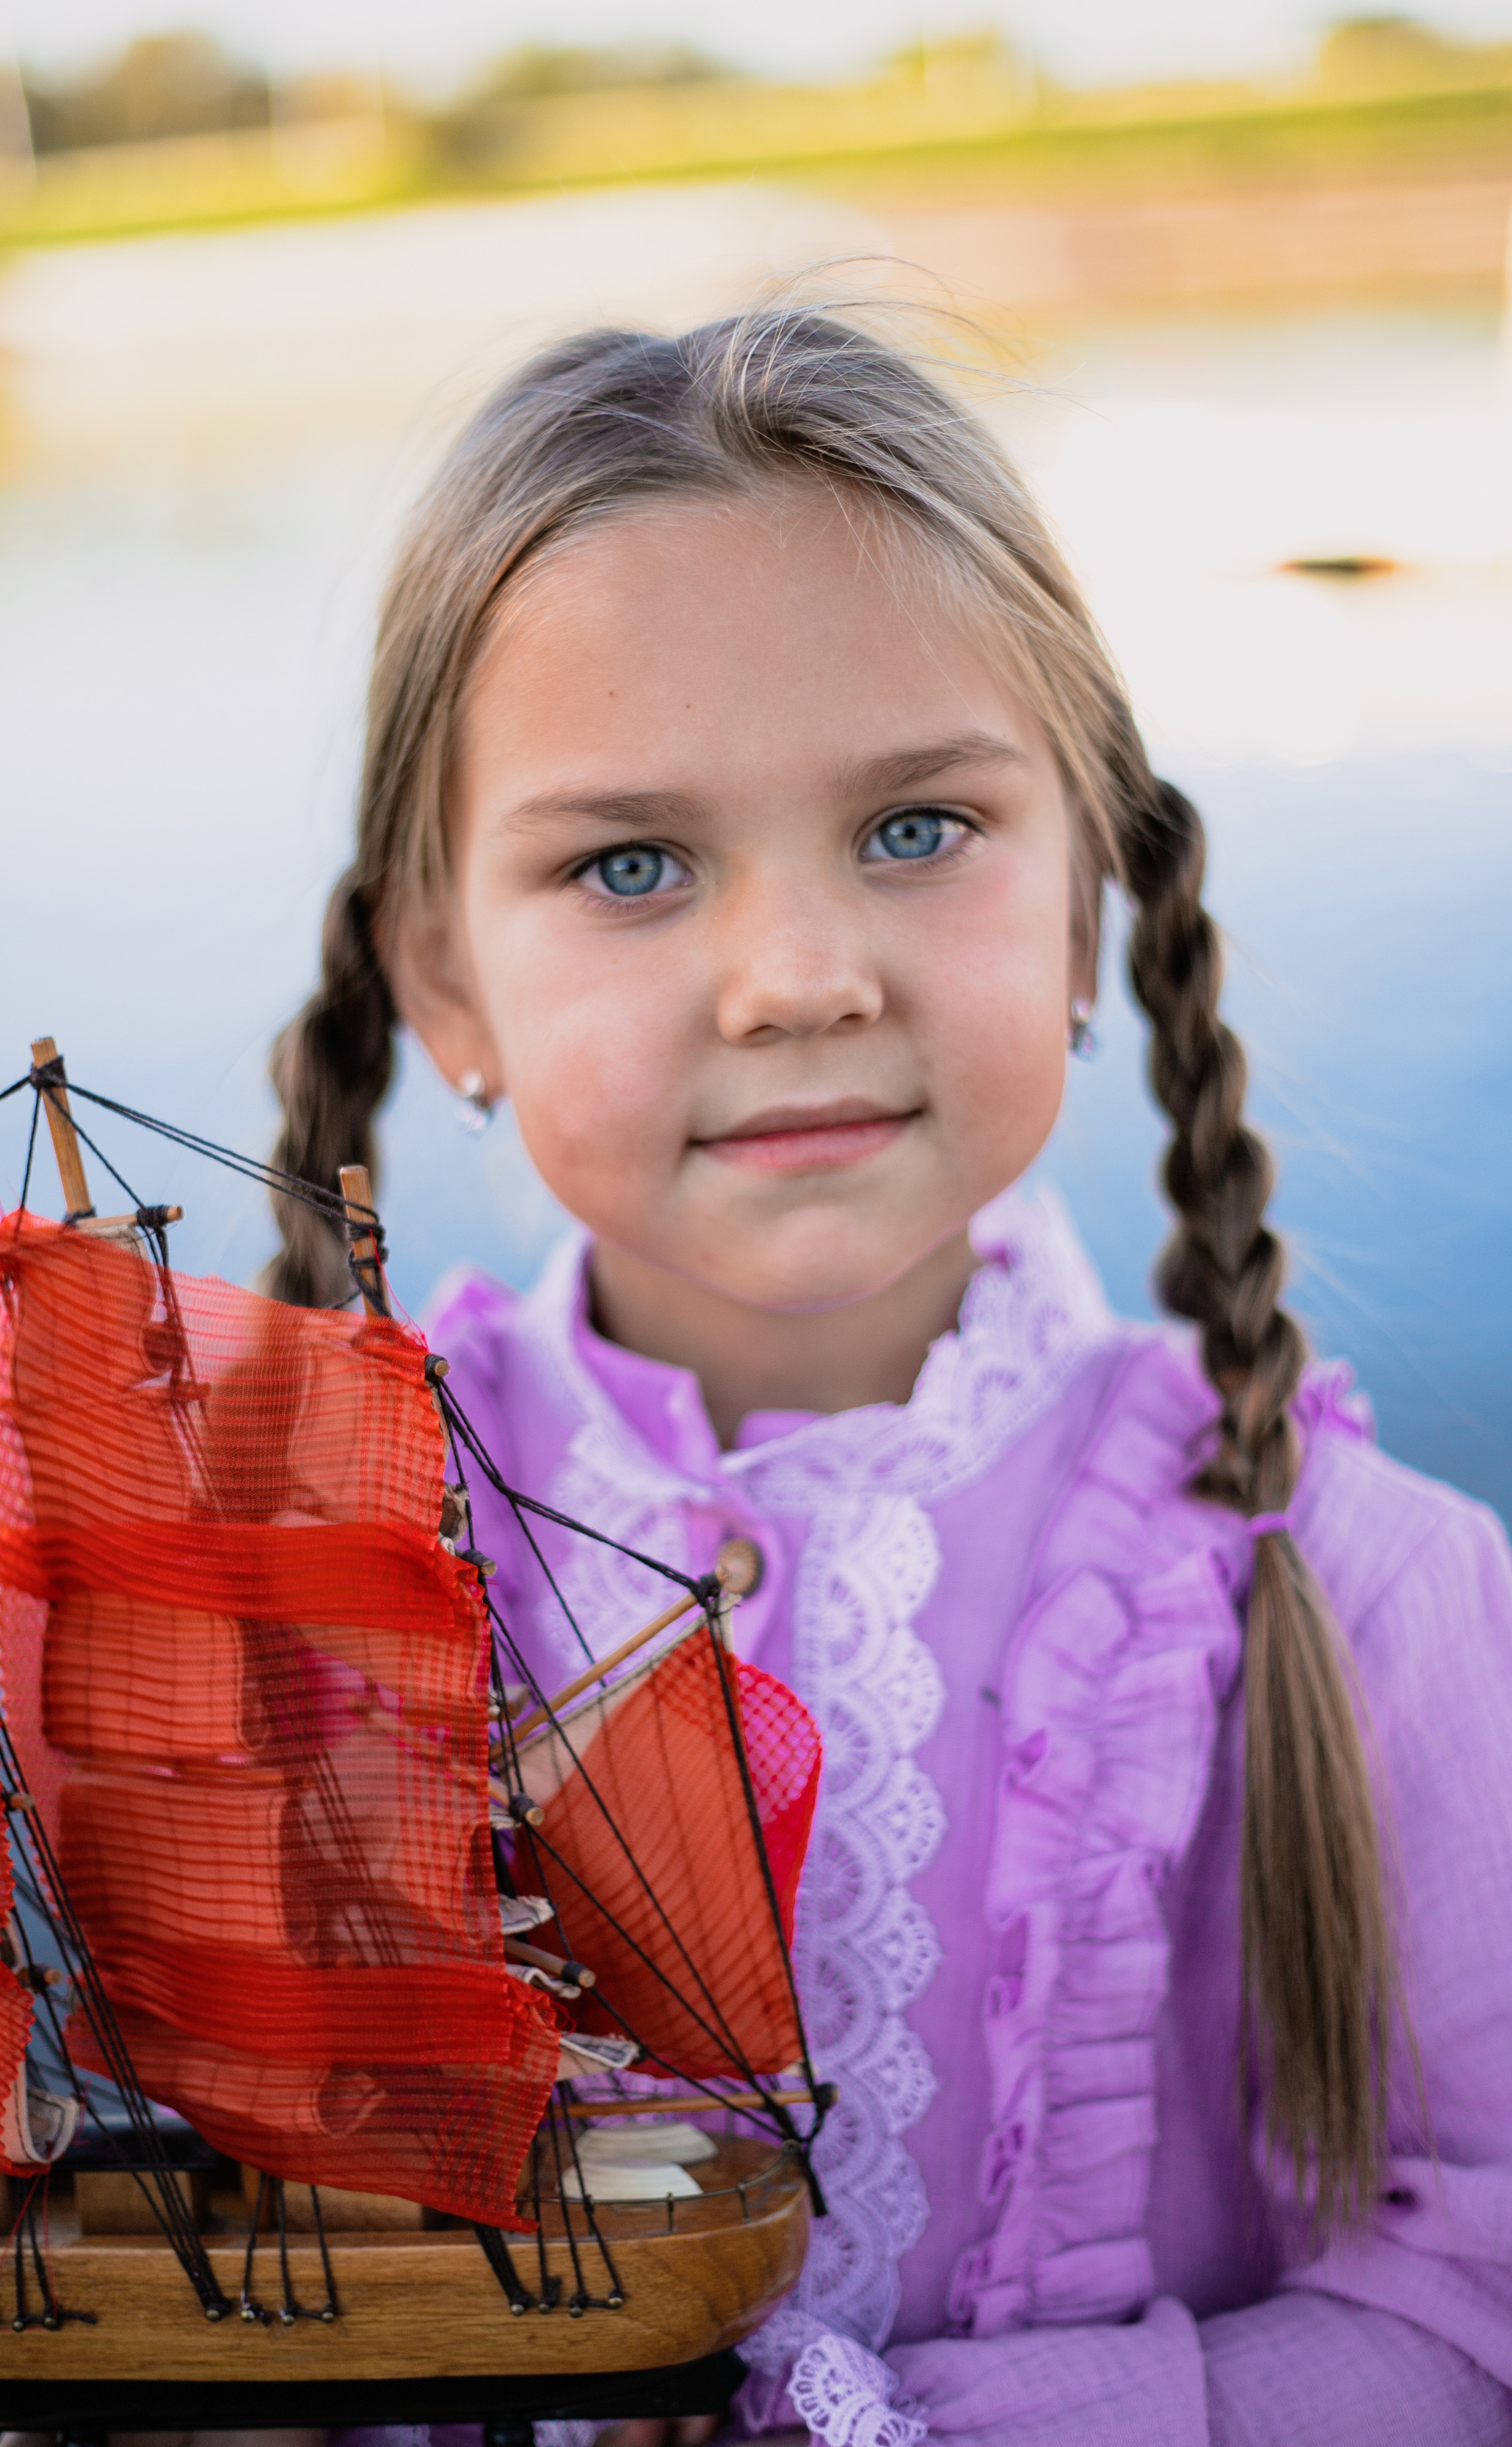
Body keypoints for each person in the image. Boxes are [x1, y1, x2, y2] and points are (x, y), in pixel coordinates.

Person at [267, 307, 1512, 2444]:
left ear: (1090, 892)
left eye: (919, 828)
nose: (801, 978)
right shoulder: (305, 1577)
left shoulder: (1364, 1592)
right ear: (443, 979)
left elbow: (1477, 2294)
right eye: (630, 865)